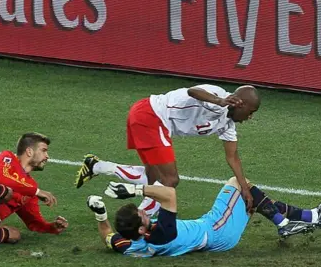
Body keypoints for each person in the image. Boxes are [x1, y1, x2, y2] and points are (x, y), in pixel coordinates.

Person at [76, 84, 260, 216]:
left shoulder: (228, 125)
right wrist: (219, 101)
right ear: (241, 104)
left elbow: (233, 157)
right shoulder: (218, 95)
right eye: (251, 111)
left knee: (153, 179)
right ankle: (140, 221)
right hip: (151, 115)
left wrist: (244, 188)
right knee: (170, 180)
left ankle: (96, 166)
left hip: (147, 115)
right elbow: (193, 91)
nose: (250, 117)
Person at [85, 176, 321, 257]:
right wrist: (134, 188)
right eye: (142, 214)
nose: (145, 211)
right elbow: (169, 194)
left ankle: (313, 216)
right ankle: (284, 225)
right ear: (142, 229)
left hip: (215, 233)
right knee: (238, 183)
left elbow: (108, 237)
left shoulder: (131, 245)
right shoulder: (161, 233)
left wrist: (101, 215)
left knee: (251, 200)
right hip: (216, 230)